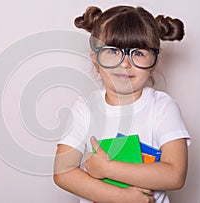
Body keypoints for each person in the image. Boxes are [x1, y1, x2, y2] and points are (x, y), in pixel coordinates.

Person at [53, 5, 191, 203]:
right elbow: (63, 172)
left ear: (154, 63)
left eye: (138, 53)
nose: (125, 63)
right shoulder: (85, 107)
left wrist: (107, 168)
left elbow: (175, 175)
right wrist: (122, 197)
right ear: (96, 61)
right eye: (113, 51)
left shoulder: (162, 107)